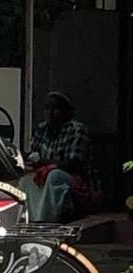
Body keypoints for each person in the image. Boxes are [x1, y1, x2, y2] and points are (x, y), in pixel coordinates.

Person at [21, 91, 101, 222]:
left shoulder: (76, 129)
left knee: (55, 176)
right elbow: (34, 156)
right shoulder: (42, 129)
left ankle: (48, 221)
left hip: (78, 184)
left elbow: (74, 164)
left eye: (55, 108)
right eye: (47, 108)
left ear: (67, 111)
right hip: (45, 177)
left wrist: (44, 164)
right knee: (27, 179)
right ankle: (35, 220)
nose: (50, 113)